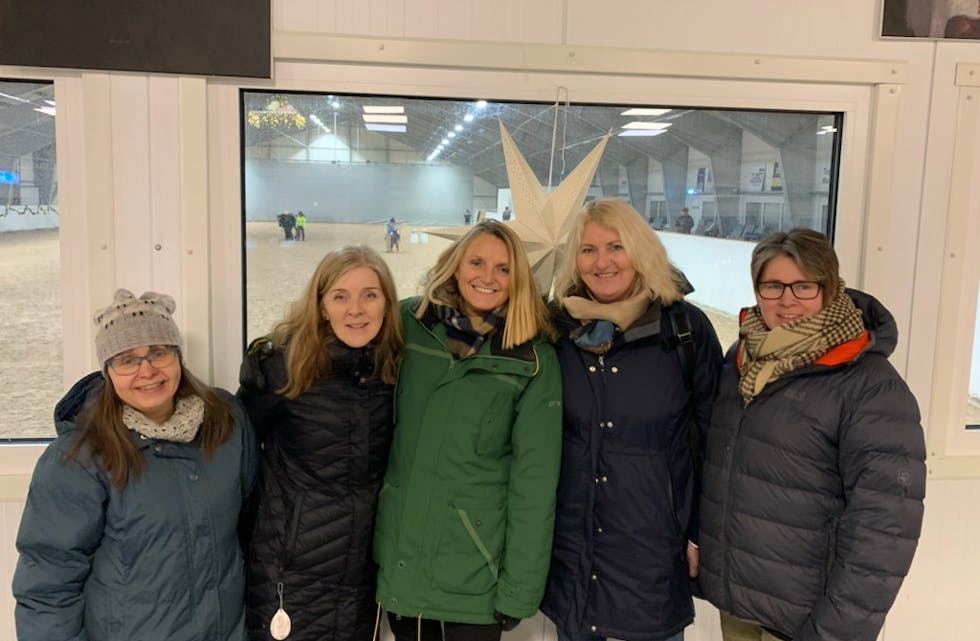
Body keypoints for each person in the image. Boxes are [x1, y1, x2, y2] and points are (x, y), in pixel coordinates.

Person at [698, 229, 926, 641]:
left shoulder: (869, 386)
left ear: (830, 288)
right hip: (742, 606)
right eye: (773, 285)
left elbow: (885, 530)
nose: (787, 300)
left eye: (803, 285)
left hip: (808, 621)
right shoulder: (741, 359)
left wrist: (835, 630)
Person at [13, 289, 257, 641]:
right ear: (108, 371)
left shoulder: (225, 421)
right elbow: (48, 585)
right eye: (126, 359)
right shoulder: (78, 458)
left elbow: (250, 526)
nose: (147, 370)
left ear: (178, 357)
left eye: (159, 352)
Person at [541, 198, 723, 641]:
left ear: (640, 250)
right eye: (588, 250)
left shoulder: (684, 329)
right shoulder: (556, 329)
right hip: (574, 551)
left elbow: (715, 440)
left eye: (616, 246)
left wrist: (701, 531)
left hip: (653, 550)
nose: (602, 262)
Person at [374, 220, 563, 641]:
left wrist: (519, 592)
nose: (487, 277)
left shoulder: (533, 360)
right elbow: (341, 333)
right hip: (403, 558)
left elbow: (534, 486)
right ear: (455, 265)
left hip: (475, 575)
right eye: (476, 262)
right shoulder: (411, 322)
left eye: (503, 268)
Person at [238, 246, 403, 641]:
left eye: (370, 295)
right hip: (290, 577)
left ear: (387, 304)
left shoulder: (395, 371)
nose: (356, 309)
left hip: (362, 579)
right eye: (340, 296)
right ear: (321, 304)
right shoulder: (284, 366)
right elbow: (239, 456)